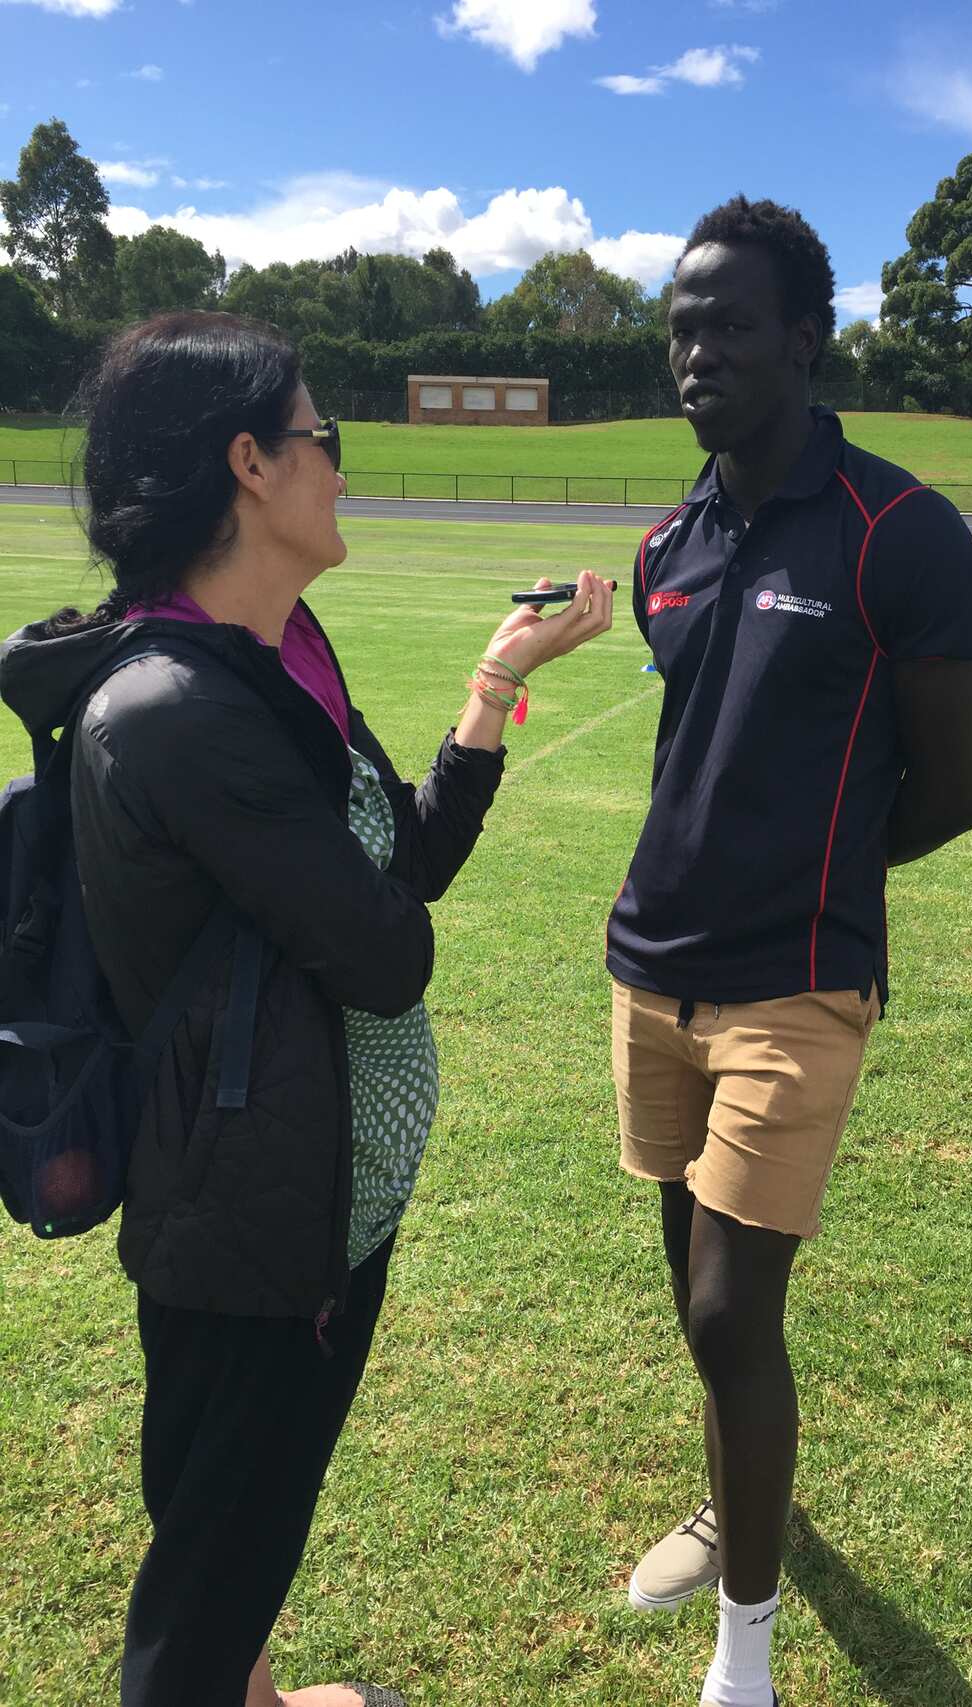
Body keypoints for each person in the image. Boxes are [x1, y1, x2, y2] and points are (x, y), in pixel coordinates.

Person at [0, 311, 613, 1707]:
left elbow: (400, 861)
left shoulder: (280, 650)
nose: (341, 461)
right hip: (252, 1223)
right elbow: (388, 953)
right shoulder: (174, 708)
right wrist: (381, 902)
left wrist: (493, 685)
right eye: (319, 436)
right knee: (210, 1572)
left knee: (231, 1529)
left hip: (309, 1193)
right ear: (249, 467)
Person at [607, 197, 972, 1707]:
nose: (696, 352)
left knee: (728, 1306)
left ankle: (747, 1653)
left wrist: (814, 879)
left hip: (800, 980)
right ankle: (734, 1499)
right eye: (680, 327)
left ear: (808, 340)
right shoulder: (668, 541)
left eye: (729, 325)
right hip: (653, 969)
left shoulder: (900, 533)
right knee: (686, 1278)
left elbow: (953, 793)